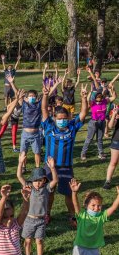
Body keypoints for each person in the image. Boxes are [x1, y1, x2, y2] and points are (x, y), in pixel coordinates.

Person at [41, 83, 88, 226]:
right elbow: (43, 109)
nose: (61, 120)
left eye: (64, 118)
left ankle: (72, 216)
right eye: (59, 118)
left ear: (68, 118)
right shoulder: (49, 126)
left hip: (66, 167)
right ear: (54, 118)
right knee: (49, 192)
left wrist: (84, 98)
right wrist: (45, 95)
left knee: (69, 193)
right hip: (49, 167)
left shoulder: (72, 127)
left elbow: (83, 113)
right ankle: (47, 214)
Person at [17, 153, 58, 255]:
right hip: (29, 220)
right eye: (35, 180)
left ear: (44, 180)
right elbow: (19, 176)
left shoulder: (46, 189)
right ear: (31, 180)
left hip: (41, 221)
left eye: (40, 180)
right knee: (28, 241)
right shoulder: (29, 187)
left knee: (39, 241)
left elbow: (55, 180)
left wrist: (52, 168)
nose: (38, 183)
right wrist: (20, 163)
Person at [80, 86, 116, 161]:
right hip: (93, 123)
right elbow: (87, 100)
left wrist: (112, 89)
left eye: (100, 99)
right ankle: (83, 153)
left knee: (99, 139)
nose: (99, 101)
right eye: (98, 99)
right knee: (89, 139)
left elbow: (114, 97)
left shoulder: (104, 101)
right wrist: (89, 92)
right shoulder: (92, 103)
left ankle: (101, 153)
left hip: (102, 122)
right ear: (95, 98)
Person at [103, 105, 119, 189]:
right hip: (117, 140)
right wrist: (114, 114)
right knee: (113, 162)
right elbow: (110, 126)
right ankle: (107, 181)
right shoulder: (118, 109)